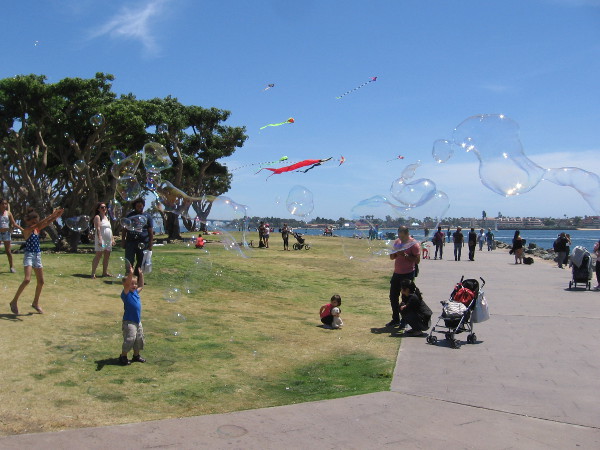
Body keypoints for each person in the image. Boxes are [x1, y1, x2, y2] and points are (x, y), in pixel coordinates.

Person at [9, 207, 64, 315]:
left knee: (41, 282)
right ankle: (14, 301)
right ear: (27, 221)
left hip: (37, 256)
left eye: (35, 222)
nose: (34, 224)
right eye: (32, 222)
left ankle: (35, 303)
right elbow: (41, 224)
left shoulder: (36, 230)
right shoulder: (26, 231)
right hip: (29, 256)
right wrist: (52, 215)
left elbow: (46, 223)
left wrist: (55, 216)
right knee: (27, 280)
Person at [386, 226, 421, 328]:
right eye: (398, 235)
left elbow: (417, 260)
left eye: (401, 236)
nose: (399, 238)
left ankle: (405, 320)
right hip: (397, 273)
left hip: (408, 273)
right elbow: (391, 257)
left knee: (405, 298)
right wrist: (395, 253)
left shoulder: (414, 244)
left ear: (406, 234)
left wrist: (405, 255)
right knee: (393, 296)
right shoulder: (397, 242)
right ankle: (395, 319)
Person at [119, 263, 146, 366]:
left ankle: (136, 355)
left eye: (135, 283)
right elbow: (127, 284)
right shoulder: (126, 294)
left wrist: (141, 275)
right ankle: (123, 356)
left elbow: (141, 286)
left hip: (137, 321)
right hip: (129, 321)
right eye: (132, 283)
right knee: (130, 338)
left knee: (139, 339)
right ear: (126, 285)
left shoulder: (135, 292)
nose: (134, 285)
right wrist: (130, 273)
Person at [121, 199, 154, 277]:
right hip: (130, 242)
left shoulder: (148, 216)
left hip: (143, 242)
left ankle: (138, 277)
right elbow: (124, 229)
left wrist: (150, 243)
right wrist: (123, 240)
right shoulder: (129, 215)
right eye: (138, 206)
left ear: (143, 206)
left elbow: (150, 231)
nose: (139, 207)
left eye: (141, 205)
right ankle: (128, 277)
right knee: (129, 260)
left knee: (141, 261)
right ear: (135, 206)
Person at [91, 202, 115, 279]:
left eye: (105, 207)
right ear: (98, 209)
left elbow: (110, 229)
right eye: (102, 207)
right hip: (102, 238)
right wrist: (100, 239)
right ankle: (93, 273)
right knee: (99, 255)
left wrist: (112, 239)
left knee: (107, 255)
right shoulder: (97, 217)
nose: (104, 208)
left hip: (108, 239)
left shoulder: (107, 217)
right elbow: (98, 228)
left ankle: (104, 272)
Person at [0, 199, 19, 273]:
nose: (4, 205)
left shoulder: (8, 213)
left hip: (6, 234)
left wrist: (19, 229)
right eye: (2, 204)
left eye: (5, 204)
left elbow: (13, 223)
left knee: (8, 251)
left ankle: (12, 267)